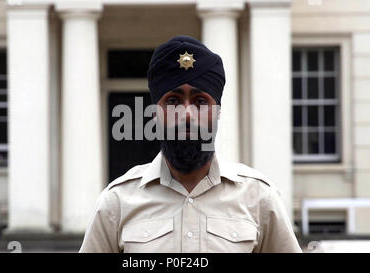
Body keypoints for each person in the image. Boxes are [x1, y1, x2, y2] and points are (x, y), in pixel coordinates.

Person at [79, 35, 302, 253]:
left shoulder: (259, 199)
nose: (186, 114)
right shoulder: (116, 203)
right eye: (174, 101)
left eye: (200, 101)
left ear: (218, 113)